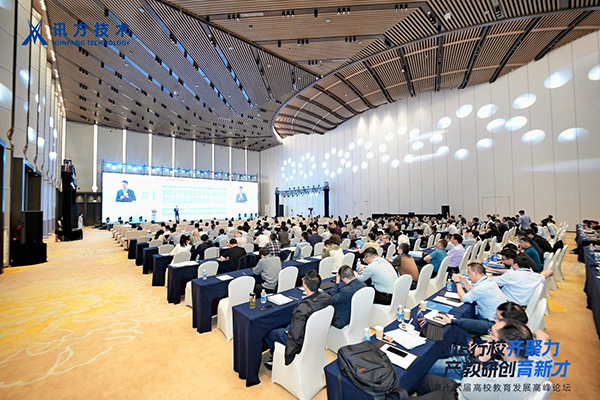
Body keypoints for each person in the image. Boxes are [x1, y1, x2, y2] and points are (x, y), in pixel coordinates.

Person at [417, 320, 552, 399]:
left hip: (464, 394)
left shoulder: (497, 378)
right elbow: (542, 335)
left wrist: (481, 360)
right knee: (423, 379)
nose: (489, 338)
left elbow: (467, 388)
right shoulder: (541, 360)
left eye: (491, 334)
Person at [429, 301, 529, 380]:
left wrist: (480, 358)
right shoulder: (517, 338)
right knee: (441, 348)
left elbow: (470, 382)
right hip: (472, 356)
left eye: (499, 319)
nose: (495, 321)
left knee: (427, 365)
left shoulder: (502, 370)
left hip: (470, 367)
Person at [264, 269, 332, 369]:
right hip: (316, 335)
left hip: (301, 341)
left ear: (305, 285)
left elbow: (296, 336)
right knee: (288, 326)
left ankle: (277, 359)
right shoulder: (327, 298)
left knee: (270, 334)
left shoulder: (302, 309)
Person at [449, 262, 507, 334]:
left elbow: (463, 298)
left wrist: (458, 283)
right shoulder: (488, 281)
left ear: (475, 273)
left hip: (491, 322)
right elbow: (473, 291)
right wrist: (463, 280)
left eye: (469, 273)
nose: (468, 276)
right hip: (499, 318)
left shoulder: (482, 287)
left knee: (462, 326)